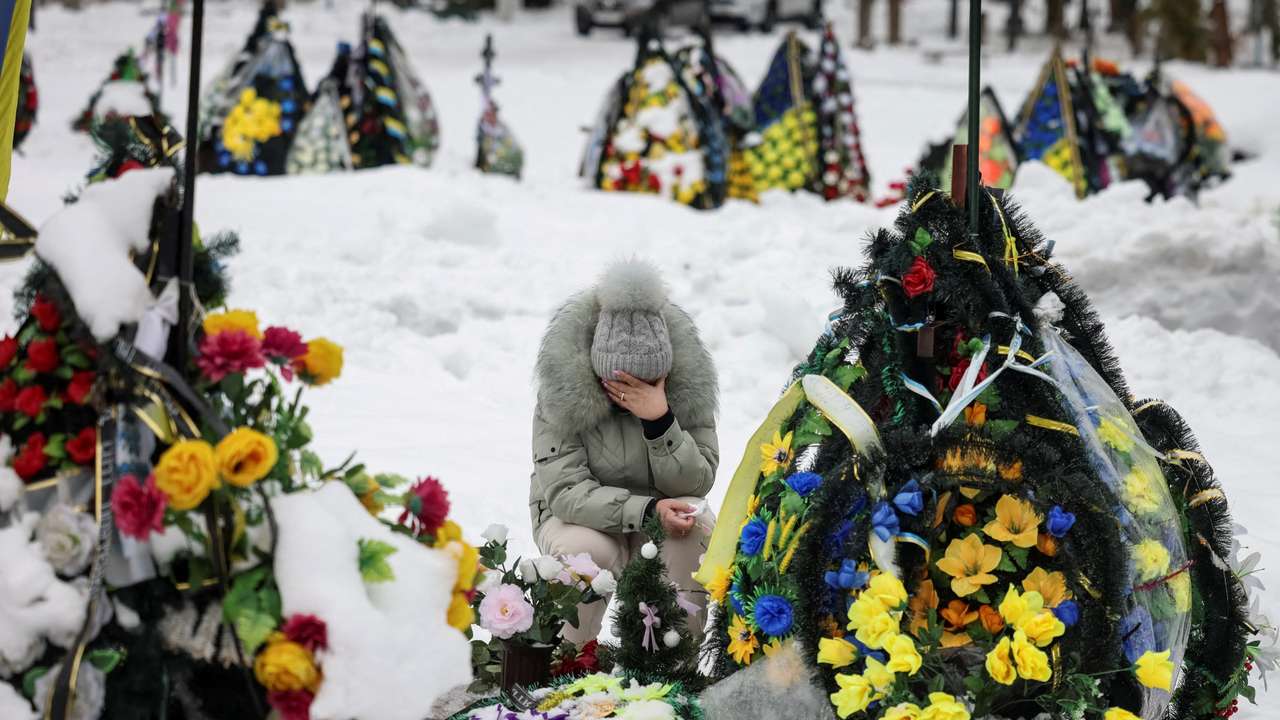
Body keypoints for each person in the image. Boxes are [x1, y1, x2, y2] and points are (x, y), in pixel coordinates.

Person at [529, 259, 719, 646]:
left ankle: (669, 666)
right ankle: (565, 658)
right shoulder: (563, 391)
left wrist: (660, 420)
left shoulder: (686, 387)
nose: (632, 395)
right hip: (582, 519)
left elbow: (698, 481)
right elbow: (566, 492)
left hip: (665, 513)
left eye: (646, 383)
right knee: (586, 553)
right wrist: (646, 511)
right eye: (621, 385)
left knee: (695, 534)